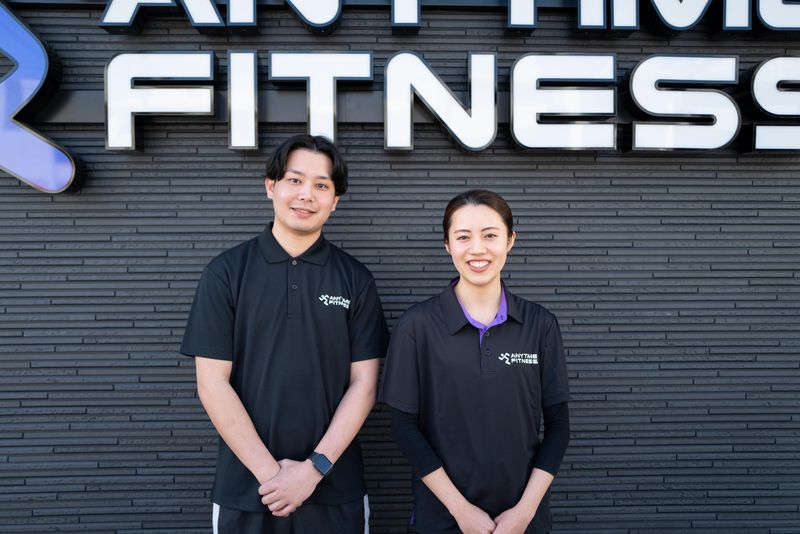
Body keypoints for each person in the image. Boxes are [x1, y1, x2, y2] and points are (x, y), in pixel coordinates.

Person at [180, 134, 389, 534]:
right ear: (270, 186)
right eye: (295, 180)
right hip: (247, 491)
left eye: (321, 185)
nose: (306, 194)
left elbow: (364, 386)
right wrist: (274, 478)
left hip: (335, 490)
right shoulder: (226, 273)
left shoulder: (355, 279)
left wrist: (312, 471)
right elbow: (212, 384)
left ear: (335, 201)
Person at [380, 189, 571, 534]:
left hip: (523, 522)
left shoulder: (540, 325)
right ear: (447, 245)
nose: (477, 249)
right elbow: (403, 427)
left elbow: (558, 427)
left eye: (490, 235)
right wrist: (461, 511)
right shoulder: (417, 326)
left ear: (510, 241)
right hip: (442, 521)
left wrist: (524, 512)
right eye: (463, 237)